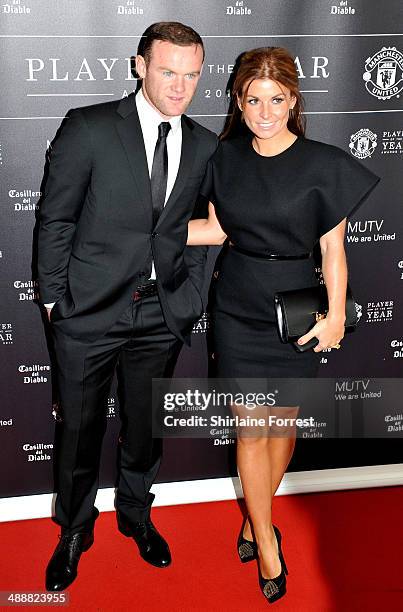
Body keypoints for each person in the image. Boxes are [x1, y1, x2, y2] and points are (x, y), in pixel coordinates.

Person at [187, 46, 380, 604]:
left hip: (297, 307)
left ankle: (253, 514)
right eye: (253, 100)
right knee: (251, 429)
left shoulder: (325, 163)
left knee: (283, 427)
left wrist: (337, 313)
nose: (264, 111)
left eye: (275, 99)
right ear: (239, 103)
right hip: (239, 307)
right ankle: (266, 540)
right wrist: (150, 235)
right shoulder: (224, 159)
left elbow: (333, 250)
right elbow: (218, 231)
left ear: (293, 100)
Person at [38, 21, 217, 592]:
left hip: (158, 315)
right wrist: (52, 301)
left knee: (144, 429)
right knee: (79, 433)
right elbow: (56, 218)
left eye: (191, 75)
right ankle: (74, 528)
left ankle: (137, 516)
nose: (179, 86)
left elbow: (211, 228)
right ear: (140, 66)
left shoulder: (208, 144)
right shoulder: (88, 128)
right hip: (88, 313)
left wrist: (187, 297)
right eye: (168, 71)